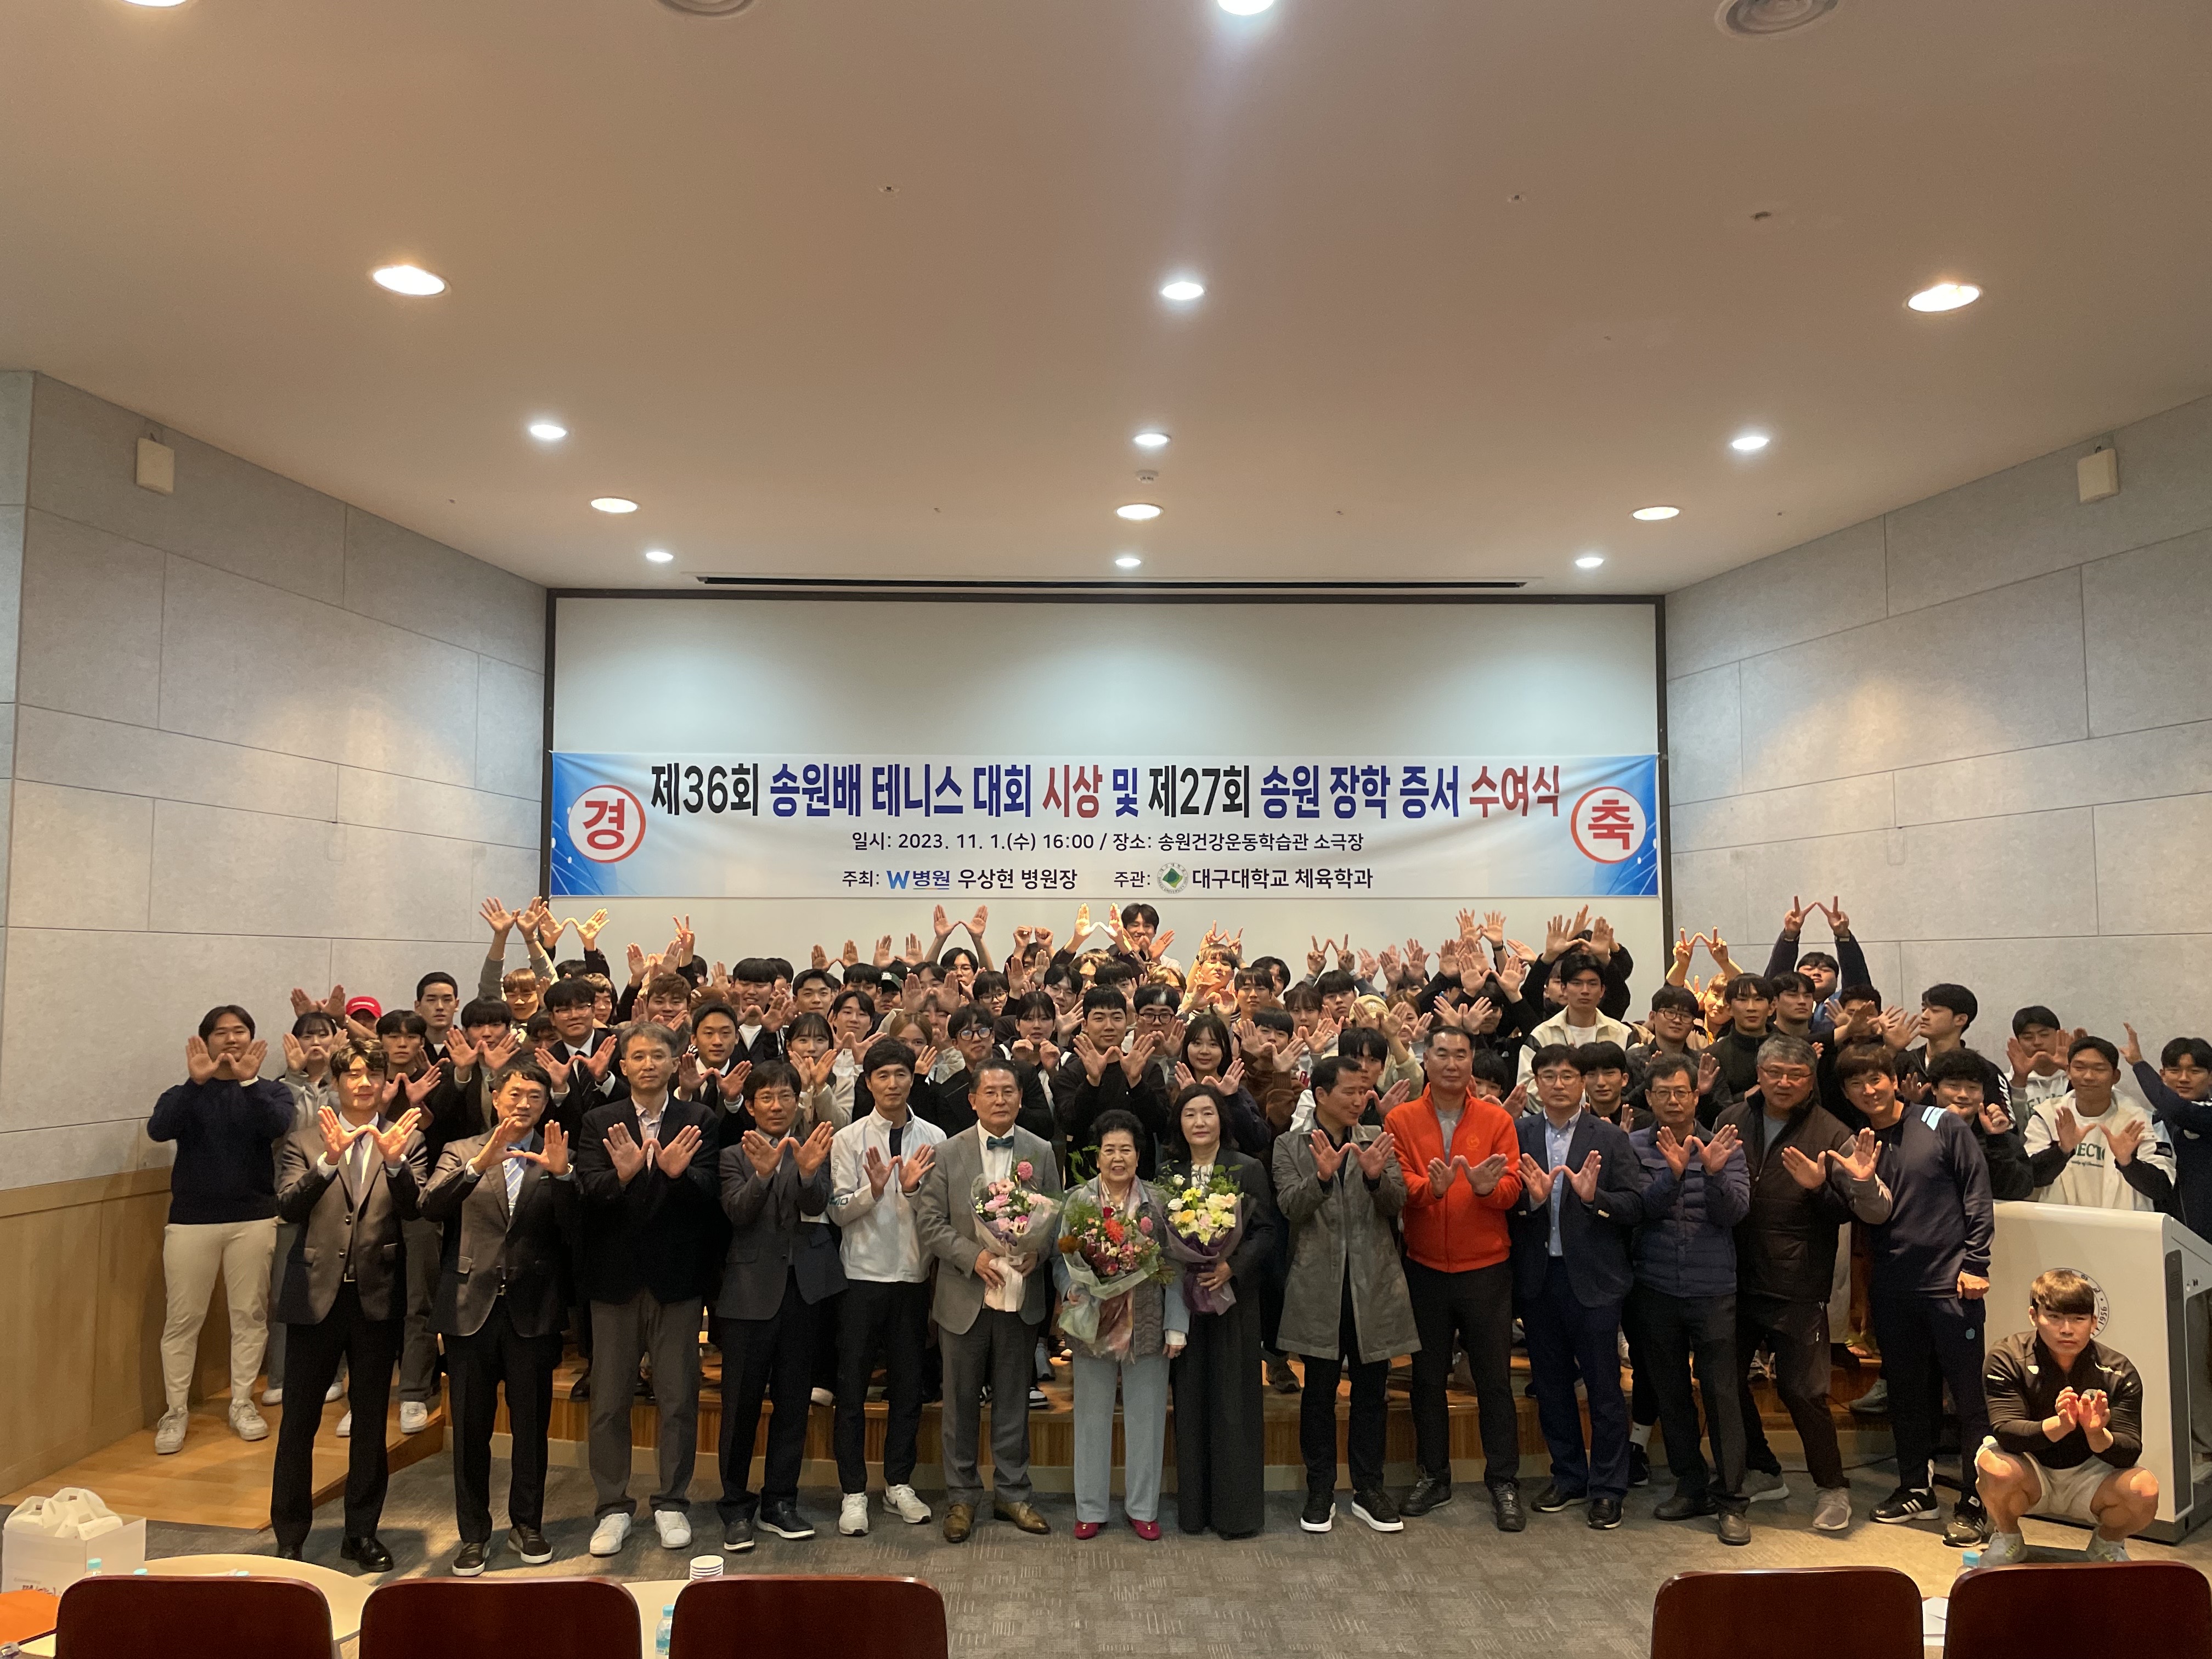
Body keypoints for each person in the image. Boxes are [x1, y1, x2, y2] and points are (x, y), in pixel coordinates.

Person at [1719, 1032, 1892, 1532]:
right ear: (1759, 1075)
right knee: (1723, 1382)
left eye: (1796, 1075)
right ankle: (1763, 1469)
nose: (1784, 1083)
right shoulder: (1732, 1119)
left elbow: (1852, 1213)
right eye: (1774, 1073)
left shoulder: (1832, 1132)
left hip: (1797, 1282)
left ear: (1810, 1081)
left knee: (1803, 1392)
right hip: (1733, 1277)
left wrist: (1819, 1190)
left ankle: (1832, 1487)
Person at [268, 1040, 426, 1568]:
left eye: (373, 1074)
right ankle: (290, 1534)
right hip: (315, 1295)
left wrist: (396, 1163)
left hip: (377, 1296)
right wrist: (328, 1163)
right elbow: (289, 1206)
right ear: (336, 1083)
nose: (363, 1083)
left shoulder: (406, 1138)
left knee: (369, 1422)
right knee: (299, 1422)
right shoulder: (304, 1140)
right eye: (353, 1073)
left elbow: (416, 1208)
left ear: (385, 1082)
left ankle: (361, 1533)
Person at [1835, 1043, 1995, 1547]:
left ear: (1896, 1080)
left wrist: (1976, 1263)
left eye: (1876, 1079)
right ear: (1846, 1093)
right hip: (1894, 1287)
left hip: (1952, 1284)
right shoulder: (1857, 1144)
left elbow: (1977, 1195)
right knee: (1906, 1394)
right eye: (1856, 1083)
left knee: (1969, 1399)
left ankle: (1978, 1502)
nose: (1868, 1090)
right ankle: (1916, 1490)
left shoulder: (1942, 1123)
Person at [422, 1060, 577, 1576]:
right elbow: (430, 1206)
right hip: (470, 1307)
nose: (523, 1104)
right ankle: (473, 1534)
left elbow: (577, 1231)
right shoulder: (460, 1150)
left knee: (531, 1428)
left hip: (534, 1309)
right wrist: (475, 1167)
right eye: (515, 1094)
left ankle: (527, 1525)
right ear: (494, 1096)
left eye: (535, 1096)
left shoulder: (557, 1153)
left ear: (546, 1104)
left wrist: (564, 1177)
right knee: (470, 1430)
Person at [574, 1024, 720, 1558]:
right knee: (609, 1402)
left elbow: (712, 1195)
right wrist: (623, 1176)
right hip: (614, 1280)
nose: (648, 1063)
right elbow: (587, 1194)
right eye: (638, 1056)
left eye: (658, 1055)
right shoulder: (599, 1120)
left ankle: (672, 1502)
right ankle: (613, 1506)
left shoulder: (699, 1119)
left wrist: (678, 1176)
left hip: (677, 1281)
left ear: (674, 1062)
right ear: (625, 1066)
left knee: (678, 1399)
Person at [915, 1057, 1063, 1541]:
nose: (1000, 1100)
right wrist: (973, 1256)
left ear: (1021, 1099)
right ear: (973, 1100)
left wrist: (1037, 1252)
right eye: (991, 1092)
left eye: (1009, 1092)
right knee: (959, 1405)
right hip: (965, 1295)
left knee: (1014, 1401)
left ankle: (1013, 1494)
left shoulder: (1041, 1150)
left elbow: (1055, 1218)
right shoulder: (947, 1151)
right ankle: (961, 1498)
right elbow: (930, 1222)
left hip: (1020, 1296)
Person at [1385, 1030, 1526, 1530]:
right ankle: (1434, 1476)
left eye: (1460, 1054)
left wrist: (1488, 1190)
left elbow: (1512, 1186)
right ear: (1424, 1060)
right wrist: (1432, 1190)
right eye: (1441, 1053)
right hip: (1424, 1267)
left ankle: (1503, 1481)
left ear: (1472, 1062)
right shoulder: (1401, 1119)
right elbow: (1400, 1183)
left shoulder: (1496, 1118)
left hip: (1486, 1268)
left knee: (1493, 1381)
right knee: (1426, 1380)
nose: (1451, 1063)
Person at [1273, 1057, 1418, 1534]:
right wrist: (1320, 1179)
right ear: (1321, 1095)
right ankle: (1320, 1489)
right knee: (1318, 1394)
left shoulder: (1376, 1140)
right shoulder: (1289, 1145)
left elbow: (1397, 1203)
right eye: (1350, 1092)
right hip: (1318, 1286)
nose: (1360, 1100)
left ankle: (1369, 1488)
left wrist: (1375, 1178)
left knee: (1372, 1392)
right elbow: (1290, 1207)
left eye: (1364, 1091)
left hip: (1374, 1284)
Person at [148, 1006, 295, 1455]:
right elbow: (159, 1129)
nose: (231, 1039)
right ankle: (175, 1411)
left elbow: (277, 1126)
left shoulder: (269, 1091)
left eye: (240, 1031)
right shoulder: (185, 1092)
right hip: (191, 1221)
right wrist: (196, 1084)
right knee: (182, 1318)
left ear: (251, 1038)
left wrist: (249, 1084)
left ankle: (242, 1403)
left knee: (249, 1314)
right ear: (206, 1040)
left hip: (253, 1218)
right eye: (221, 1033)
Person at [1510, 1043, 1646, 1529]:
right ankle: (1569, 1476)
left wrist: (1594, 1199)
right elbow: (1503, 1203)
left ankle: (1609, 1488)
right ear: (1536, 1083)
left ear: (1583, 1082)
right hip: (1538, 1279)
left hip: (1594, 1281)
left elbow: (1635, 1205)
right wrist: (1530, 1202)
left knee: (1605, 1388)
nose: (1559, 1084)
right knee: (1551, 1387)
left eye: (1568, 1075)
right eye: (1548, 1076)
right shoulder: (1519, 1133)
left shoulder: (1609, 1137)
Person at [713, 1061, 839, 1551]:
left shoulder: (812, 1148)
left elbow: (816, 1205)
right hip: (748, 1294)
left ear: (797, 1102)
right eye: (766, 1097)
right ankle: (735, 1505)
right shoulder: (732, 1155)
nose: (777, 1105)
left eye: (786, 1096)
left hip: (803, 1291)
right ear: (750, 1106)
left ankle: (781, 1501)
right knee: (740, 1406)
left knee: (793, 1402)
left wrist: (806, 1171)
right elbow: (737, 1212)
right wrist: (763, 1175)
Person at [1626, 1056, 1752, 1545]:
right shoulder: (1635, 1146)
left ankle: (1733, 1499)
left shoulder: (1724, 1144)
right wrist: (1672, 1176)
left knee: (1723, 1395)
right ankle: (1690, 1485)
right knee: (1670, 1392)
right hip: (1655, 1287)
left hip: (1713, 1289)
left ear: (1696, 1096)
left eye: (1682, 1092)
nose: (1674, 1101)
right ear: (1649, 1098)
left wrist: (1714, 1174)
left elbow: (1735, 1213)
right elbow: (1638, 1209)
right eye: (1663, 1093)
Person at [827, 1038, 945, 1537]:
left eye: (901, 1074)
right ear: (869, 1082)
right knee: (851, 1389)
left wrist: (912, 1190)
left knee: (908, 1388)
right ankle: (853, 1492)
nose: (893, 1084)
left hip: (913, 1277)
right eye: (883, 1076)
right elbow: (837, 1210)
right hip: (861, 1277)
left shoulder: (935, 1137)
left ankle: (899, 1482)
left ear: (912, 1079)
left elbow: (940, 1213)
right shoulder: (848, 1139)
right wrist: (872, 1191)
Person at [1976, 1268, 2159, 1564]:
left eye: (2078, 1319)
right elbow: (2006, 1432)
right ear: (2034, 1317)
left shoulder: (2119, 1370)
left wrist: (2097, 1433)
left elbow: (2129, 1451)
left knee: (2144, 1488)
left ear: (2093, 1322)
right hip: (2030, 1467)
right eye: (2054, 1317)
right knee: (1994, 1466)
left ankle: (2107, 1544)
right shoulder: (2006, 1357)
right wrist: (2060, 1425)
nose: (2066, 1330)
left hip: (2092, 1474)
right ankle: (2008, 1538)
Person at [1164, 1083, 1278, 1538]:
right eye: (1190, 1114)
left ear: (1221, 1120)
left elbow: (1266, 1231)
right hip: (1185, 1303)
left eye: (1207, 1113)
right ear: (1180, 1123)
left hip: (1234, 1302)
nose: (1199, 1122)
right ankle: (1195, 1511)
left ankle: (1236, 1514)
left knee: (1234, 1404)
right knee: (1191, 1401)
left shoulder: (1247, 1168)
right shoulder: (1169, 1173)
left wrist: (1231, 1267)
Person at [2021, 1036, 2176, 1212]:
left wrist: (2128, 1163)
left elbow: (2162, 1189)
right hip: (2060, 1222)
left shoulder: (2142, 1120)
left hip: (2124, 1225)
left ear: (2115, 1076)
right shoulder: (2048, 1115)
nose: (2089, 1076)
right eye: (2080, 1068)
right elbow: (2031, 1179)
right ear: (2068, 1072)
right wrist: (2062, 1151)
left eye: (2099, 1069)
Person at [2125, 1025, 2212, 1234]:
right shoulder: (2153, 1120)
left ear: (2210, 1077)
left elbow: (2179, 1110)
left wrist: (2138, 1064)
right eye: (2175, 1071)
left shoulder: (2205, 1113)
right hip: (2164, 1231)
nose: (2184, 1078)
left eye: (2195, 1071)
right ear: (2163, 1075)